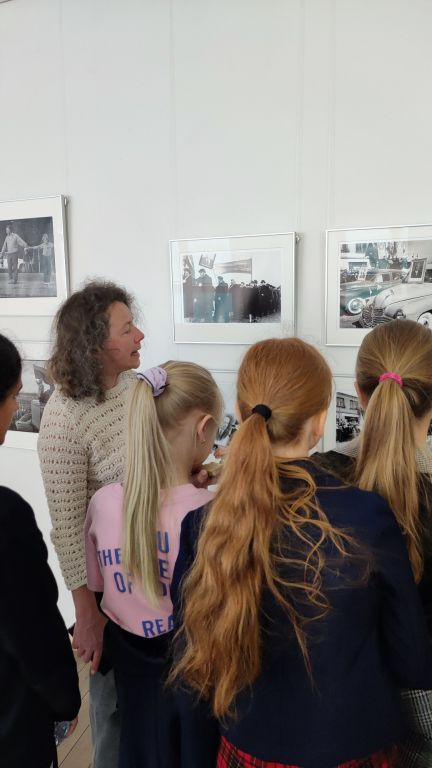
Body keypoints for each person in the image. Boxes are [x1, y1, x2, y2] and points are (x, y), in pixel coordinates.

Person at [170, 337, 432, 768]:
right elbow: (412, 659)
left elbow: (192, 662)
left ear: (241, 413)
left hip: (248, 744)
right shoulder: (368, 515)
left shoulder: (203, 525)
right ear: (320, 419)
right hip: (353, 747)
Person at [85, 362, 223, 767]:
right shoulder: (214, 514)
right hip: (197, 680)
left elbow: (100, 589)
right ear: (204, 428)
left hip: (131, 674)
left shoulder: (104, 503)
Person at [38, 281, 145, 768]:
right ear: (95, 345)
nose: (139, 335)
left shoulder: (133, 388)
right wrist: (86, 614)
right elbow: (66, 528)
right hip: (109, 588)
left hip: (154, 571)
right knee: (114, 714)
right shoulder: (63, 419)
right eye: (127, 329)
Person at [0, 333, 81, 768]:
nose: (17, 407)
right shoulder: (6, 517)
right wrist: (65, 701)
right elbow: (33, 633)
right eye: (15, 396)